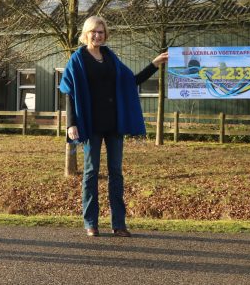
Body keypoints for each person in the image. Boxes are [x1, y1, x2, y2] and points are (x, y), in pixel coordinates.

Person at [59, 16, 168, 237]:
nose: (97, 35)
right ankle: (91, 222)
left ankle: (118, 224)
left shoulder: (110, 57)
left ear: (105, 34)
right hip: (90, 124)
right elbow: (68, 92)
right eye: (93, 32)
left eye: (101, 32)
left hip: (114, 124)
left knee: (116, 172)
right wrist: (71, 123)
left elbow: (132, 81)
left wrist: (154, 65)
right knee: (91, 172)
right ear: (86, 34)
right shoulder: (77, 59)